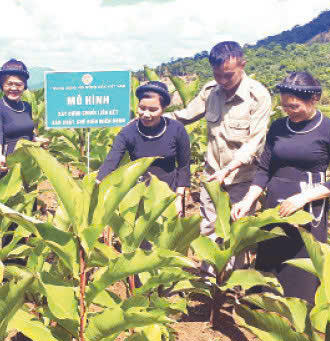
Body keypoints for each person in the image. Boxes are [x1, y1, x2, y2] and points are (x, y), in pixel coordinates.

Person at [231, 72, 330, 303]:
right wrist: (247, 201)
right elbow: (264, 169)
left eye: (294, 106)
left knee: (301, 265)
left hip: (308, 208)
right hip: (275, 206)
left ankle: (300, 314)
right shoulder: (278, 127)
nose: (288, 111)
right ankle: (265, 313)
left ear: (314, 99)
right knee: (270, 260)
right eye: (284, 106)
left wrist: (304, 197)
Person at [165, 41, 271, 241]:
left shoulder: (257, 96)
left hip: (242, 178)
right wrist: (153, 118)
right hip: (212, 175)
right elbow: (184, 115)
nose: (222, 80)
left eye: (228, 75)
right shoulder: (210, 91)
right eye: (217, 74)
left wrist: (228, 170)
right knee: (209, 229)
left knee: (238, 234)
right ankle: (209, 262)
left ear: (243, 65)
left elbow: (254, 142)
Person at [97, 81, 190, 216]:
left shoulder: (176, 129)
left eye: (153, 110)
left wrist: (178, 198)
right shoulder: (128, 132)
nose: (146, 114)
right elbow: (111, 162)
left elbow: (184, 166)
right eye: (142, 108)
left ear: (163, 109)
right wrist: (97, 185)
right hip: (139, 193)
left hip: (170, 192)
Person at [0, 58, 48, 170]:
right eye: (9, 84)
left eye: (18, 84)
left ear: (24, 86)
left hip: (27, 163)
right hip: (7, 163)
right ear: (2, 85)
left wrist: (37, 139)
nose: (14, 88)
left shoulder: (26, 106)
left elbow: (27, 134)